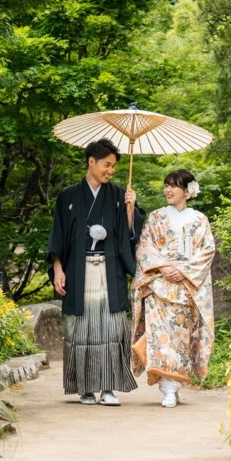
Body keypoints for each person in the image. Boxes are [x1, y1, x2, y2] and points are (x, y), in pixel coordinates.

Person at [47, 138, 144, 406]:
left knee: (111, 327)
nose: (110, 170)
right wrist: (58, 268)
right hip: (78, 271)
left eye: (113, 166)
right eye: (107, 165)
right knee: (82, 330)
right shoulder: (68, 196)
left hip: (109, 269)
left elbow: (128, 236)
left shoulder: (119, 195)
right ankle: (85, 388)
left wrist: (130, 209)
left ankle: (109, 388)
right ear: (92, 161)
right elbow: (58, 236)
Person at [130, 169, 215, 408]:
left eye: (174, 186)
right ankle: (167, 389)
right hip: (159, 285)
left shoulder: (199, 219)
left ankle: (174, 385)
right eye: (166, 185)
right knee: (160, 340)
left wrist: (183, 271)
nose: (168, 190)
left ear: (187, 191)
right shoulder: (156, 217)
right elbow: (145, 246)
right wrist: (164, 267)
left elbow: (207, 250)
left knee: (180, 341)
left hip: (184, 288)